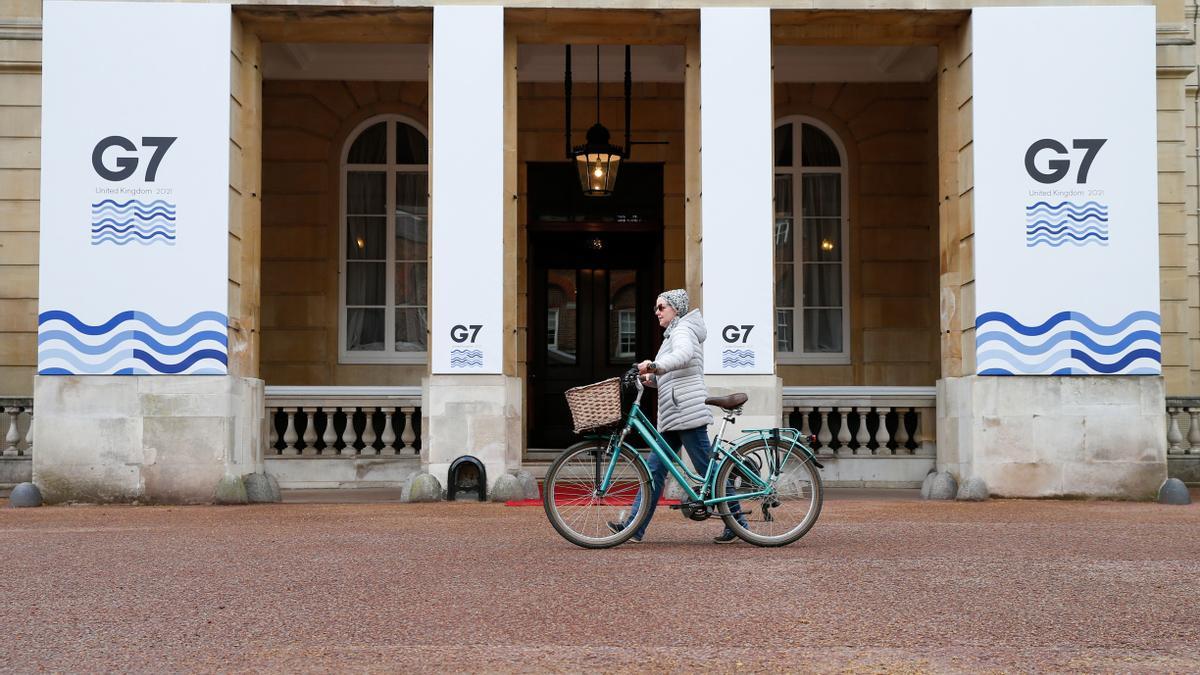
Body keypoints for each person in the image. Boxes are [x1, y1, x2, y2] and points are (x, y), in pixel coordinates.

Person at [608, 288, 747, 544]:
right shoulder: (672, 334)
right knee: (654, 471)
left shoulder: (683, 330)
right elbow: (670, 375)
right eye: (656, 308)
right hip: (675, 415)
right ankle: (633, 528)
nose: (657, 312)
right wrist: (649, 377)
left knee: (709, 470)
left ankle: (739, 525)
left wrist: (654, 365)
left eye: (661, 307)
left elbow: (683, 357)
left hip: (686, 412)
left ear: (675, 309)